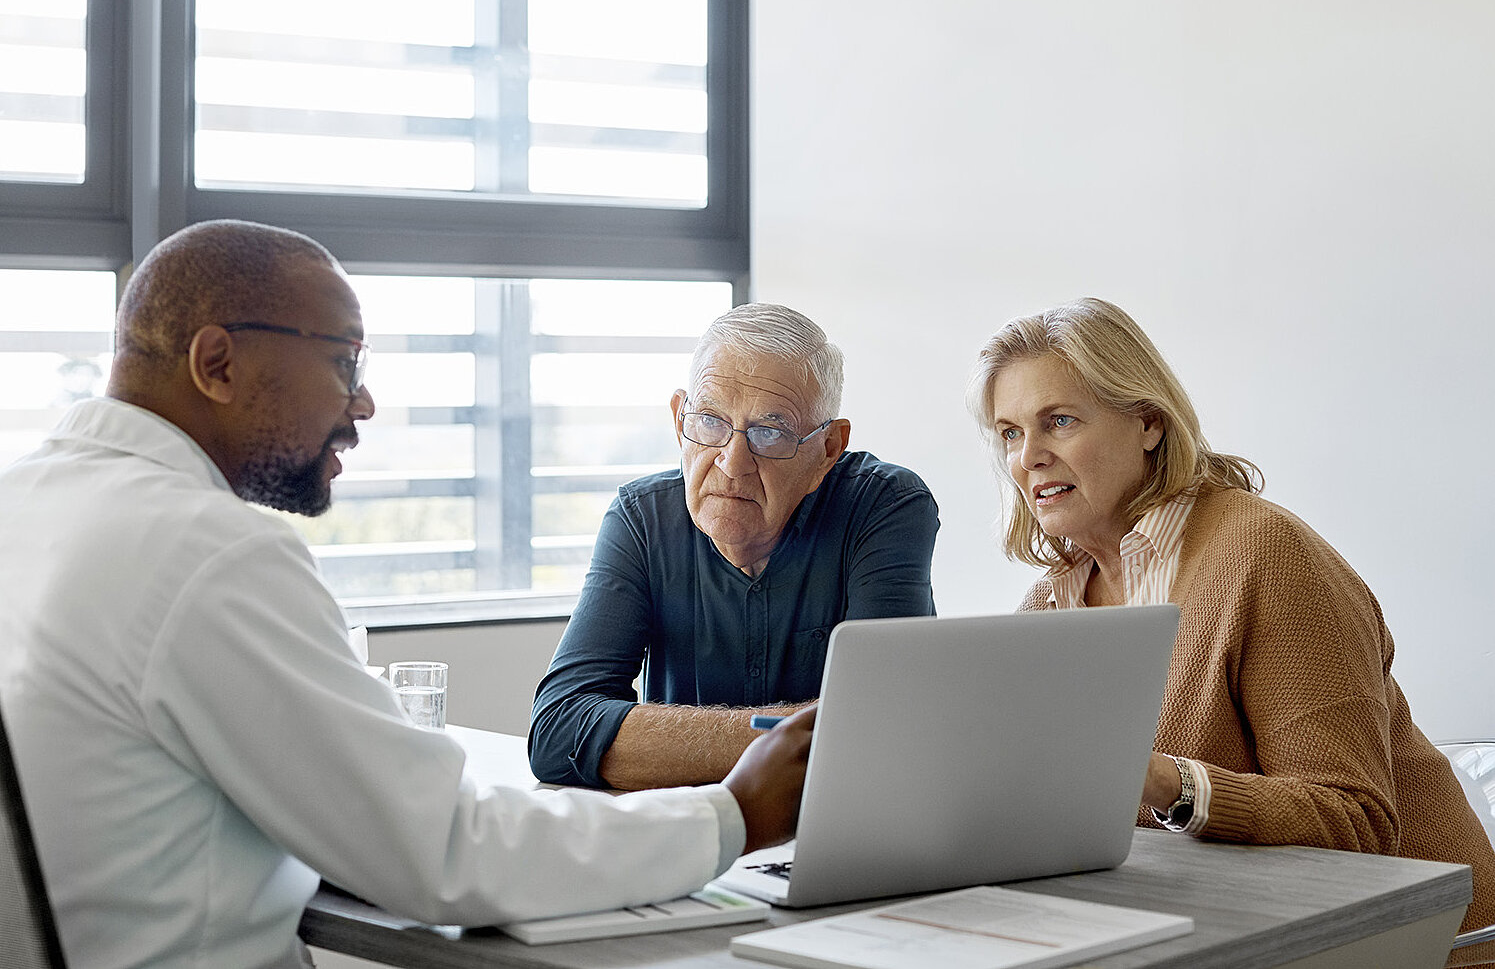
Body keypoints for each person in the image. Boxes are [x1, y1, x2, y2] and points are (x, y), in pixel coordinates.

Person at [0, 220, 816, 969]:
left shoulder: (26, 504)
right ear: (217, 363)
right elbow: (446, 851)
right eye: (343, 361)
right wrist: (733, 811)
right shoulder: (205, 552)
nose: (363, 402)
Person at [967, 296, 1495, 960]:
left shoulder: (1263, 553)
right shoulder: (1050, 604)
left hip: (1415, 945)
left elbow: (1354, 822)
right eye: (1009, 432)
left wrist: (1166, 782)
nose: (1029, 457)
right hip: (1216, 933)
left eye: (1059, 421)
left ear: (1148, 423)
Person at [529, 303, 938, 790]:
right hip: (685, 838)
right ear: (680, 418)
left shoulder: (883, 507)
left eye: (770, 432)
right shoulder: (642, 519)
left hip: (835, 837)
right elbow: (558, 733)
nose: (732, 462)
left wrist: (656, 742)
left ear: (829, 449)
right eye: (710, 421)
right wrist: (815, 730)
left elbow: (888, 728)